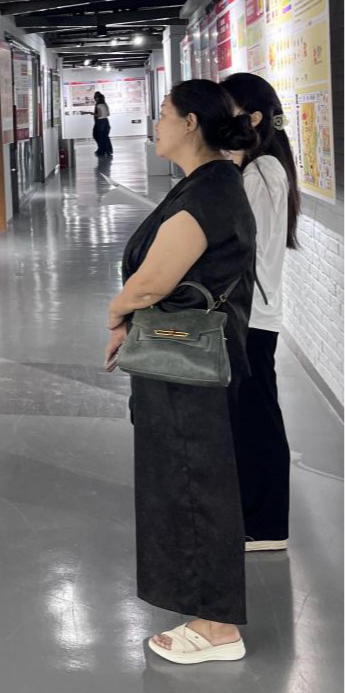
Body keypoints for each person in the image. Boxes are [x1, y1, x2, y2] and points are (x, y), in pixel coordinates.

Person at [104, 80, 258, 664]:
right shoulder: (208, 182)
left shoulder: (211, 191)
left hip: (187, 365)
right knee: (188, 479)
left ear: (191, 123)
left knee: (195, 483)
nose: (156, 124)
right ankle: (208, 613)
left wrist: (116, 312)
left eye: (163, 113)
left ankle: (217, 628)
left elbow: (153, 282)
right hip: (184, 357)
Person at [222, 72, 300, 552]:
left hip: (252, 316)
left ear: (252, 118)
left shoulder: (262, 173)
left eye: (227, 110)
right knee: (250, 415)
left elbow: (241, 244)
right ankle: (255, 515)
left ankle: (267, 525)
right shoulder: (257, 168)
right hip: (249, 313)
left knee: (259, 419)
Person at [92, 91, 113, 156]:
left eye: (96, 97)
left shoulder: (98, 105)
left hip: (100, 122)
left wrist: (92, 114)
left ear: (98, 98)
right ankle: (108, 150)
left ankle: (101, 151)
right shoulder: (104, 104)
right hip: (106, 121)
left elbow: (99, 115)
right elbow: (108, 114)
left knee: (100, 137)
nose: (95, 98)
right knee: (105, 137)